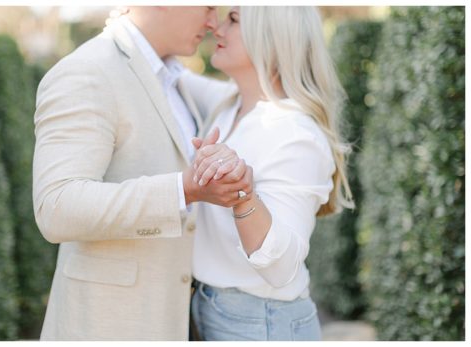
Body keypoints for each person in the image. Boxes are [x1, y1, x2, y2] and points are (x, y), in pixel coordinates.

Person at [32, 6, 255, 340]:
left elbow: (253, 94)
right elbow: (57, 207)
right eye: (208, 7)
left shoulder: (171, 75)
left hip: (174, 319)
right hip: (108, 326)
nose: (213, 23)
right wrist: (184, 189)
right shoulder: (87, 71)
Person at [182, 6, 354, 341]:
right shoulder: (229, 105)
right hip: (213, 309)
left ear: (272, 37)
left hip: (261, 322)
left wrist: (242, 192)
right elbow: (169, 72)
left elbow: (280, 267)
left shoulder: (294, 132)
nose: (217, 29)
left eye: (233, 20)